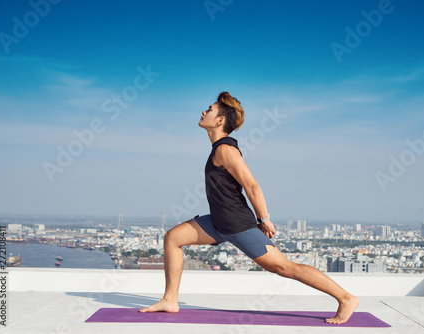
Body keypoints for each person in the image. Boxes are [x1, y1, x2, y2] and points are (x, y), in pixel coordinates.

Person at [139, 91, 359, 324]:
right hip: (217, 222)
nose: (204, 112)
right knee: (173, 238)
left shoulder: (226, 150)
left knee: (284, 267)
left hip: (235, 224)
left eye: (210, 110)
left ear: (220, 121)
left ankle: (346, 298)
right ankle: (170, 300)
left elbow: (252, 186)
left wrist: (264, 219)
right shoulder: (218, 149)